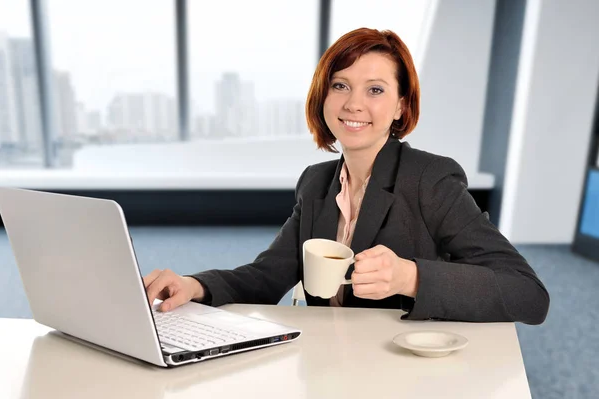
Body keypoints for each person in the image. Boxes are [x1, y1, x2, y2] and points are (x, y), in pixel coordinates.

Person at [144, 27, 549, 324]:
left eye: (375, 90)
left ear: (400, 107)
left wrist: (411, 277)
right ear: (324, 97)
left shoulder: (430, 179)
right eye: (341, 85)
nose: (353, 103)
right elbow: (268, 275)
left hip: (404, 370)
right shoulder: (316, 182)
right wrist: (195, 285)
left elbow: (527, 293)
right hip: (328, 364)